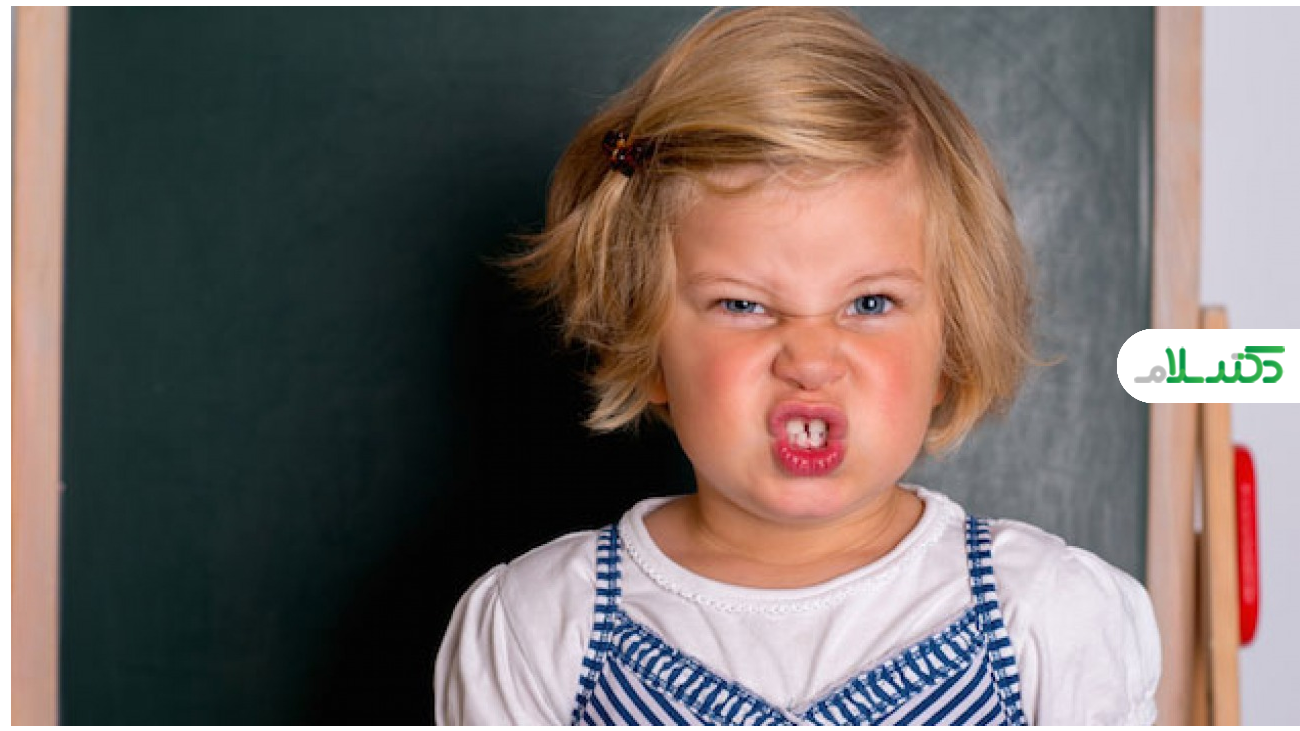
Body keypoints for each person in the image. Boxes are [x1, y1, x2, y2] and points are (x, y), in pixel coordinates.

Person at [434, 7, 1160, 725]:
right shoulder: (540, 631)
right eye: (743, 305)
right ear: (647, 344)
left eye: (870, 303)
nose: (810, 359)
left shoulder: (1048, 616)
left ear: (951, 346)